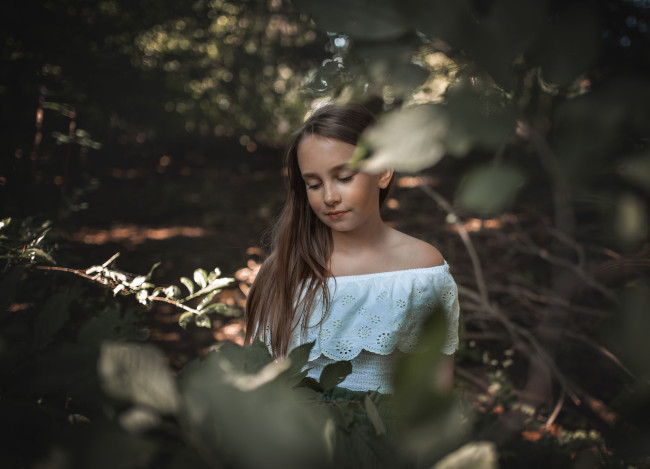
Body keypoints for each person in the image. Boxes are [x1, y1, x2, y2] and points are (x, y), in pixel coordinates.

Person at [244, 103, 459, 396]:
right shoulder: (284, 269)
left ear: (383, 173)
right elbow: (260, 379)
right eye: (314, 184)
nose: (330, 197)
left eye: (344, 177)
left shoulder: (422, 270)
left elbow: (436, 383)